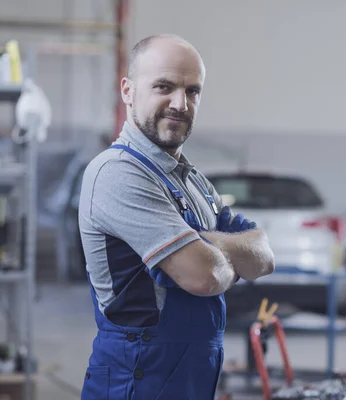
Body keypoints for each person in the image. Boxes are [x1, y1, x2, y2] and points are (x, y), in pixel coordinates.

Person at [78, 33, 276, 400]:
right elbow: (204, 276)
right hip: (136, 382)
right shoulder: (116, 174)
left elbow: (264, 256)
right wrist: (226, 256)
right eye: (164, 87)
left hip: (191, 379)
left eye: (192, 91)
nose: (180, 103)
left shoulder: (192, 180)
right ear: (128, 90)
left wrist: (206, 242)